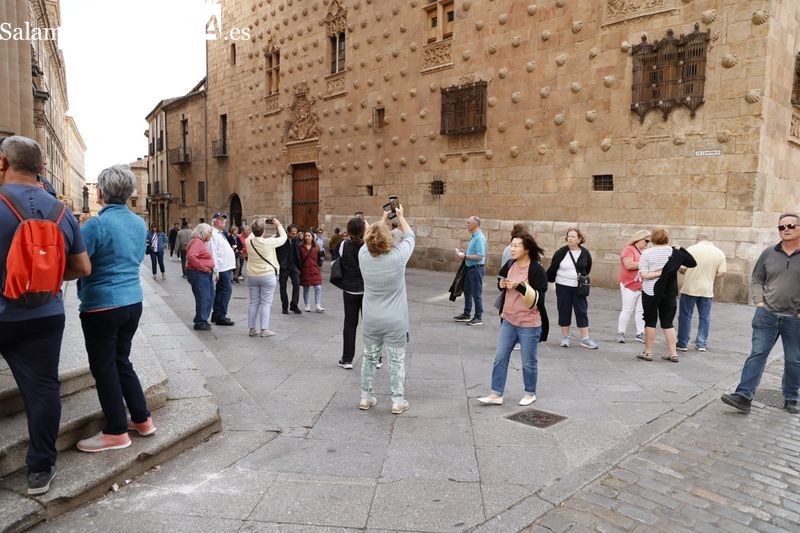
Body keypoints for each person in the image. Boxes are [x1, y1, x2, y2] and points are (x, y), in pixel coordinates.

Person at [0, 135, 91, 495]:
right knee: (43, 390)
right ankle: (40, 469)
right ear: (41, 168)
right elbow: (82, 267)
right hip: (45, 315)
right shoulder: (61, 211)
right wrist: (49, 276)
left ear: (3, 163)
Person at [75, 165, 157, 453]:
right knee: (122, 360)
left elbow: (80, 262)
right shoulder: (138, 223)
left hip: (102, 305)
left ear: (101, 192)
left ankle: (115, 431)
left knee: (104, 367)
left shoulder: (96, 224)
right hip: (132, 301)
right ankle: (142, 418)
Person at [721, 214, 800, 414]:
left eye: (790, 226)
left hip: (795, 318)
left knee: (794, 359)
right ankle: (743, 396)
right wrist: (759, 301)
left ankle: (791, 396)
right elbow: (757, 278)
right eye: (781, 227)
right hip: (767, 314)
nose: (786, 229)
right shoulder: (768, 253)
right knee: (757, 354)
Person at [478, 232, 549, 407]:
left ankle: (530, 392)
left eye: (517, 245)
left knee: (528, 361)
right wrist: (501, 284)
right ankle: (496, 394)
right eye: (512, 245)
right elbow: (501, 280)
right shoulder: (510, 264)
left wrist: (520, 286)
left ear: (526, 249)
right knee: (500, 357)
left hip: (529, 323)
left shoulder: (536, 269)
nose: (513, 248)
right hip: (508, 320)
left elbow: (539, 296)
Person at [358, 205, 415, 414]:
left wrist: (380, 220)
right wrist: (399, 217)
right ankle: (397, 401)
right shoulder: (398, 257)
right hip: (395, 319)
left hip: (371, 318)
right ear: (387, 239)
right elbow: (410, 236)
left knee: (369, 358)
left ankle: (366, 397)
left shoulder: (363, 255)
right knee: (396, 361)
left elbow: (368, 239)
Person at [636, 227, 696, 363]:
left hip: (650, 291)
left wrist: (658, 273)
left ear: (653, 239)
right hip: (669, 292)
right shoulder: (673, 253)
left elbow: (644, 275)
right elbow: (692, 263)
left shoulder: (646, 253)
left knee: (650, 322)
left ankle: (648, 352)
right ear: (667, 238)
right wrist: (681, 248)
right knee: (668, 323)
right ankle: (673, 353)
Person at [546, 227, 598, 349]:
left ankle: (585, 338)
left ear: (579, 239)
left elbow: (587, 267)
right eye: (569, 236)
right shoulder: (561, 252)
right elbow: (553, 266)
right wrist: (549, 279)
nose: (570, 238)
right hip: (562, 285)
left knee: (582, 310)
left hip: (578, 287)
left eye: (573, 236)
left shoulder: (585, 253)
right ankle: (565, 337)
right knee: (564, 309)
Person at [677, 233, 727, 352]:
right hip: (707, 289)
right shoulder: (719, 252)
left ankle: (683, 343)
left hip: (690, 287)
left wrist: (684, 271)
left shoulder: (691, 249)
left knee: (685, 316)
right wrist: (710, 275)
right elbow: (722, 273)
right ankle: (701, 343)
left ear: (698, 240)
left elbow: (683, 269)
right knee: (705, 317)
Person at [245, 218, 286, 337]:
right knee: (266, 303)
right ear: (264, 230)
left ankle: (252, 329)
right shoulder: (269, 242)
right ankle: (264, 329)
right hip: (267, 275)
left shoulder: (249, 242)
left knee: (253, 302)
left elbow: (253, 233)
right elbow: (283, 238)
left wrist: (258, 222)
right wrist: (278, 225)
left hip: (252, 275)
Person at [337, 216, 366, 369]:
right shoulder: (368, 246)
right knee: (370, 325)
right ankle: (377, 358)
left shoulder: (343, 245)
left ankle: (347, 358)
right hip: (367, 290)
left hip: (349, 289)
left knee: (349, 324)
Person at [617, 230, 650, 344]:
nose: (647, 243)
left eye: (648, 241)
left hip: (643, 285)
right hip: (629, 284)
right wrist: (644, 264)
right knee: (627, 309)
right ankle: (621, 332)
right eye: (646, 240)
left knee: (641, 310)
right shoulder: (629, 249)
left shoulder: (646, 251)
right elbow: (629, 265)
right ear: (639, 239)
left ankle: (640, 333)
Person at [453, 215, 486, 326]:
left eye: (468, 222)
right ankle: (467, 314)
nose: (466, 224)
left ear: (474, 224)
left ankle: (478, 317)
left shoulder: (479, 238)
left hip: (476, 269)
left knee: (476, 294)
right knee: (467, 291)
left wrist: (465, 256)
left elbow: (480, 256)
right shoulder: (474, 236)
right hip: (470, 268)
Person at [185, 223, 216, 331]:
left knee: (210, 296)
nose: (211, 235)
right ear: (203, 232)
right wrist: (202, 267)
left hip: (204, 274)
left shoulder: (199, 242)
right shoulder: (197, 242)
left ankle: (203, 319)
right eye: (210, 233)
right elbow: (191, 256)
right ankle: (200, 321)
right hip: (199, 274)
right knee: (204, 297)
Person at [209, 211, 236, 326]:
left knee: (221, 290)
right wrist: (216, 269)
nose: (223, 221)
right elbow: (213, 251)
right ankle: (221, 315)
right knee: (226, 290)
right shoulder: (213, 234)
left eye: (224, 219)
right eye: (220, 219)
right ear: (214, 221)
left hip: (226, 266)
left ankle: (217, 314)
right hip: (222, 267)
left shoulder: (221, 233)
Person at [277, 224, 303, 314]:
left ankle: (294, 305)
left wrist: (298, 265)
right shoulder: (281, 239)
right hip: (283, 266)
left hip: (293, 266)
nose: (294, 235)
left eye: (295, 233)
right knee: (283, 286)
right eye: (292, 233)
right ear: (287, 232)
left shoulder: (296, 240)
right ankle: (285, 306)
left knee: (297, 284)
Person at [300, 230, 324, 312]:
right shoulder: (300, 247)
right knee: (306, 288)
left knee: (318, 287)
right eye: (305, 236)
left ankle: (317, 305)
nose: (307, 237)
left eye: (308, 236)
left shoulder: (316, 247)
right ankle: (307, 305)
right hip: (305, 270)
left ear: (312, 237)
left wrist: (319, 265)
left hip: (314, 270)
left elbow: (320, 257)